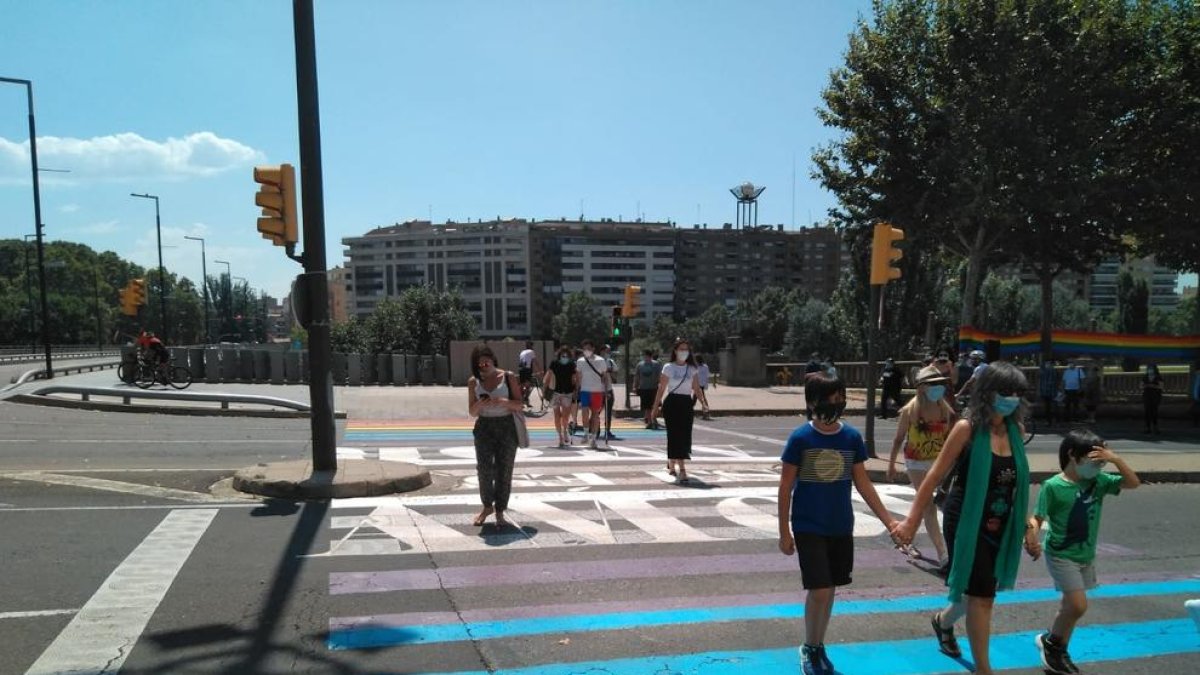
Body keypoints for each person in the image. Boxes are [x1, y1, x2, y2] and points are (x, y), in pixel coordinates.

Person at [896, 361, 1037, 675]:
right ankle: (983, 669)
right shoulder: (966, 429)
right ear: (987, 393)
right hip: (966, 522)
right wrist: (910, 522)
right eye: (1005, 391)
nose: (1011, 398)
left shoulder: (1016, 432)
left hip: (1000, 522)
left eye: (1017, 393)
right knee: (982, 597)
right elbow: (932, 478)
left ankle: (942, 622)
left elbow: (1015, 485)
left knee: (978, 591)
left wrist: (1028, 526)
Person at [777, 373, 900, 675]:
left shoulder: (852, 438)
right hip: (808, 526)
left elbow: (863, 483)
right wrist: (784, 531)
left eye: (840, 397)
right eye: (830, 398)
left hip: (840, 526)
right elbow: (785, 486)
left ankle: (819, 645)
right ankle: (809, 645)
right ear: (812, 402)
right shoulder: (800, 439)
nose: (837, 403)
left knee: (830, 589)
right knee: (820, 589)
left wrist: (889, 521)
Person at [1027, 429, 1140, 674]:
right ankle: (1052, 644)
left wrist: (1116, 460)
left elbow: (1133, 483)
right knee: (1078, 606)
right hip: (1061, 554)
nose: (1098, 468)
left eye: (1102, 463)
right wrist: (1031, 532)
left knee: (1069, 607)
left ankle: (1058, 650)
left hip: (1085, 556)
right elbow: (1038, 516)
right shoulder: (1053, 486)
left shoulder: (1098, 482)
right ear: (1072, 456)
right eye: (1094, 462)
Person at [886, 366, 955, 566]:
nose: (938, 388)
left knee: (926, 504)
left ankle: (904, 536)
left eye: (940, 384)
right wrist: (891, 465)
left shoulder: (945, 409)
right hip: (916, 462)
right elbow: (898, 439)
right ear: (922, 387)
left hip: (937, 460)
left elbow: (950, 439)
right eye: (933, 384)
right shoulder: (910, 410)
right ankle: (943, 554)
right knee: (927, 505)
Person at [465, 345, 523, 527]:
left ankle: (500, 510)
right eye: (480, 361)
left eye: (486, 359)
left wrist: (502, 401)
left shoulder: (508, 376)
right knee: (483, 469)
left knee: (504, 469)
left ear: (493, 359)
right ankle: (487, 506)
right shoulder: (473, 382)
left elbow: (520, 404)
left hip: (506, 426)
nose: (484, 363)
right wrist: (480, 404)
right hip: (484, 427)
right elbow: (472, 412)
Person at [651, 339, 709, 483]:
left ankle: (672, 461)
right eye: (681, 349)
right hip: (672, 403)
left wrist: (703, 403)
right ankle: (682, 469)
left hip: (686, 403)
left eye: (686, 349)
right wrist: (655, 408)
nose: (684, 352)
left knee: (684, 435)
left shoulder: (692, 368)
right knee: (674, 434)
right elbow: (661, 388)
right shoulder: (668, 367)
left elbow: (696, 388)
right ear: (675, 351)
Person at [575, 339, 611, 450]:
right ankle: (586, 433)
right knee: (584, 412)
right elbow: (578, 376)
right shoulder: (580, 361)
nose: (587, 351)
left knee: (595, 415)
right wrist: (576, 389)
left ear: (593, 349)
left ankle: (594, 438)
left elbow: (605, 376)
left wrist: (607, 390)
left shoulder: (600, 360)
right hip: (585, 390)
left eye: (589, 349)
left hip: (597, 391)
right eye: (585, 349)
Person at [544, 345, 577, 448]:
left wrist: (576, 390)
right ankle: (560, 437)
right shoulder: (554, 363)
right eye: (563, 354)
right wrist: (544, 389)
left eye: (566, 354)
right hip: (555, 392)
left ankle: (565, 430)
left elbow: (574, 379)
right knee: (557, 416)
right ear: (559, 354)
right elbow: (548, 376)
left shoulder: (572, 364)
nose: (564, 356)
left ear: (569, 355)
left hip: (568, 392)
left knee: (565, 416)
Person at [636, 350, 662, 430]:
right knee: (646, 407)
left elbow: (660, 375)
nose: (645, 357)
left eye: (646, 356)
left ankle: (654, 419)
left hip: (654, 388)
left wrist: (660, 384)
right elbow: (637, 376)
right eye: (644, 356)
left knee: (655, 405)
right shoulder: (640, 365)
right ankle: (650, 422)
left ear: (650, 356)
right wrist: (635, 385)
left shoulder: (656, 364)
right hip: (644, 388)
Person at [599, 344, 618, 440]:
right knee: (596, 411)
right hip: (598, 390)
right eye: (607, 351)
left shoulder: (610, 362)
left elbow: (615, 374)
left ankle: (607, 430)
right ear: (601, 351)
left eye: (609, 351)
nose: (608, 353)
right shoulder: (596, 361)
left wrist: (610, 373)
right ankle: (595, 429)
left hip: (609, 389)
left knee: (608, 411)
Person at [517, 340, 542, 406]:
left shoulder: (522, 352)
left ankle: (520, 400)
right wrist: (540, 370)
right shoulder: (531, 351)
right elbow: (535, 361)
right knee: (529, 386)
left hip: (521, 369)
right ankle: (525, 399)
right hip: (527, 370)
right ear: (531, 346)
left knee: (522, 385)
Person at [1141, 363, 1164, 434]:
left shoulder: (1158, 377)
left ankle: (1155, 427)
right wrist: (1146, 385)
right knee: (1147, 412)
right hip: (1147, 396)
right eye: (1148, 369)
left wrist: (1152, 385)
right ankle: (1147, 427)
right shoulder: (1145, 377)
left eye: (1151, 369)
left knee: (1154, 411)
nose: (1150, 370)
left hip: (1155, 396)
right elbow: (1141, 386)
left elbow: (1161, 386)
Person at [1038, 358, 1058, 425]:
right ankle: (1049, 420)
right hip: (1046, 391)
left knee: (1051, 406)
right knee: (1048, 407)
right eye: (1046, 363)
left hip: (1050, 391)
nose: (1047, 364)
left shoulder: (1051, 370)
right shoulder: (1044, 370)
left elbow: (1053, 382)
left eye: (1048, 363)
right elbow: (1041, 381)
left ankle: (1051, 420)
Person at [696, 355, 712, 420]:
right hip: (697, 385)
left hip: (701, 385)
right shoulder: (696, 367)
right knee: (701, 399)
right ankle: (706, 412)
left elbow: (707, 376)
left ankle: (706, 412)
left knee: (702, 399)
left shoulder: (705, 367)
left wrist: (706, 385)